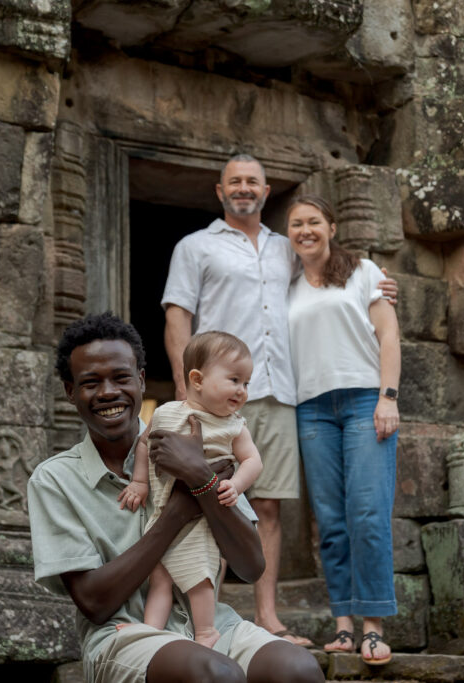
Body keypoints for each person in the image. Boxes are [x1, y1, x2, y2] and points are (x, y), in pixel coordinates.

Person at [161, 153, 397, 645]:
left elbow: (330, 264)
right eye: (235, 181)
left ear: (267, 192)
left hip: (281, 394)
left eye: (253, 181)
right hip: (215, 398)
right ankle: (206, 621)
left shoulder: (283, 247)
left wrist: (379, 282)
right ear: (220, 190)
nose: (244, 188)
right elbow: (178, 319)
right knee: (208, 501)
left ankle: (268, 618)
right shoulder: (195, 246)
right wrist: (186, 389)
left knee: (268, 507)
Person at [28, 313, 323, 683]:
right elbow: (95, 603)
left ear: (140, 380)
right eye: (90, 383)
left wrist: (200, 477)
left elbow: (250, 568)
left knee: (298, 669)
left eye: (121, 378)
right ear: (70, 392)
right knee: (215, 674)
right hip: (124, 636)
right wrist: (180, 509)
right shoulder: (55, 480)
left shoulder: (202, 435)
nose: (107, 392)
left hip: (210, 625)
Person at [285, 195, 400, 665]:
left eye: (314, 222)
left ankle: (374, 627)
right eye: (295, 224)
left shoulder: (365, 272)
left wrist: (387, 397)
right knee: (331, 523)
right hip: (310, 409)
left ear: (331, 227)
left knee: (368, 514)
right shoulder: (286, 284)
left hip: (362, 402)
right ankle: (344, 627)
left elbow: (388, 335)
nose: (305, 230)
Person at [118, 331, 264, 648]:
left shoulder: (233, 425)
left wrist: (236, 485)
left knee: (199, 575)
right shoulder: (167, 413)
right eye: (235, 380)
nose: (242, 391)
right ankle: (150, 634)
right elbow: (144, 443)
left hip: (202, 519)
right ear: (197, 379)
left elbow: (253, 460)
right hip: (163, 510)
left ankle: (205, 631)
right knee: (160, 577)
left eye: (246, 383)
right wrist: (139, 482)